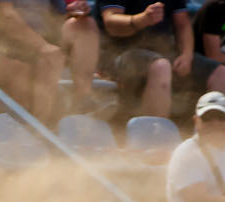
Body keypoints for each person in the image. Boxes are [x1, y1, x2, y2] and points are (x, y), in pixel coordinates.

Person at [66, 0, 207, 122]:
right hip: (119, 54)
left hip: (163, 53)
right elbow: (112, 24)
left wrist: (187, 55)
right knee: (161, 66)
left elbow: (182, 24)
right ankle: (154, 137)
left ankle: (213, 138)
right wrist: (143, 19)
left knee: (222, 74)